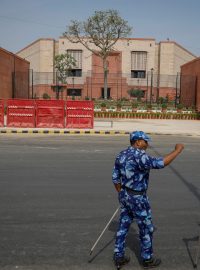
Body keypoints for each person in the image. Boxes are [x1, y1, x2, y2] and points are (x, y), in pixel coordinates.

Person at [112, 131, 184, 269]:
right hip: (138, 198)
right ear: (137, 142)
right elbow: (161, 163)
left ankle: (118, 256)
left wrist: (121, 193)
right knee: (146, 228)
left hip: (125, 194)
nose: (147, 144)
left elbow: (115, 178)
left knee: (123, 226)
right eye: (145, 141)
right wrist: (178, 150)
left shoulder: (121, 154)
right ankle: (147, 259)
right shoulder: (140, 156)